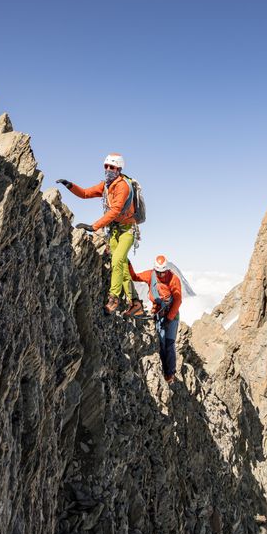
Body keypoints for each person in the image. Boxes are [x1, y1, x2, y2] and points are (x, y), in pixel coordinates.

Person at [56, 153, 143, 314]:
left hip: (127, 231)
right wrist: (69, 185)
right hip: (115, 231)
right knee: (121, 266)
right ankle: (135, 303)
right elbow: (85, 193)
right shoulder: (106, 185)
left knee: (117, 261)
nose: (109, 169)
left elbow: (116, 210)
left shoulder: (122, 186)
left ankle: (113, 299)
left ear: (119, 168)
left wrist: (94, 226)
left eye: (112, 167)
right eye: (106, 166)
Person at [129, 255, 187, 383]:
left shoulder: (173, 279)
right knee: (161, 343)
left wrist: (169, 318)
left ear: (167, 270)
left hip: (171, 314)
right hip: (159, 314)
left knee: (169, 344)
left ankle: (170, 373)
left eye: (163, 272)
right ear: (155, 270)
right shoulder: (151, 275)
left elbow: (178, 300)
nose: (161, 275)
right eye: (159, 272)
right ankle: (164, 369)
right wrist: (128, 264)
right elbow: (135, 277)